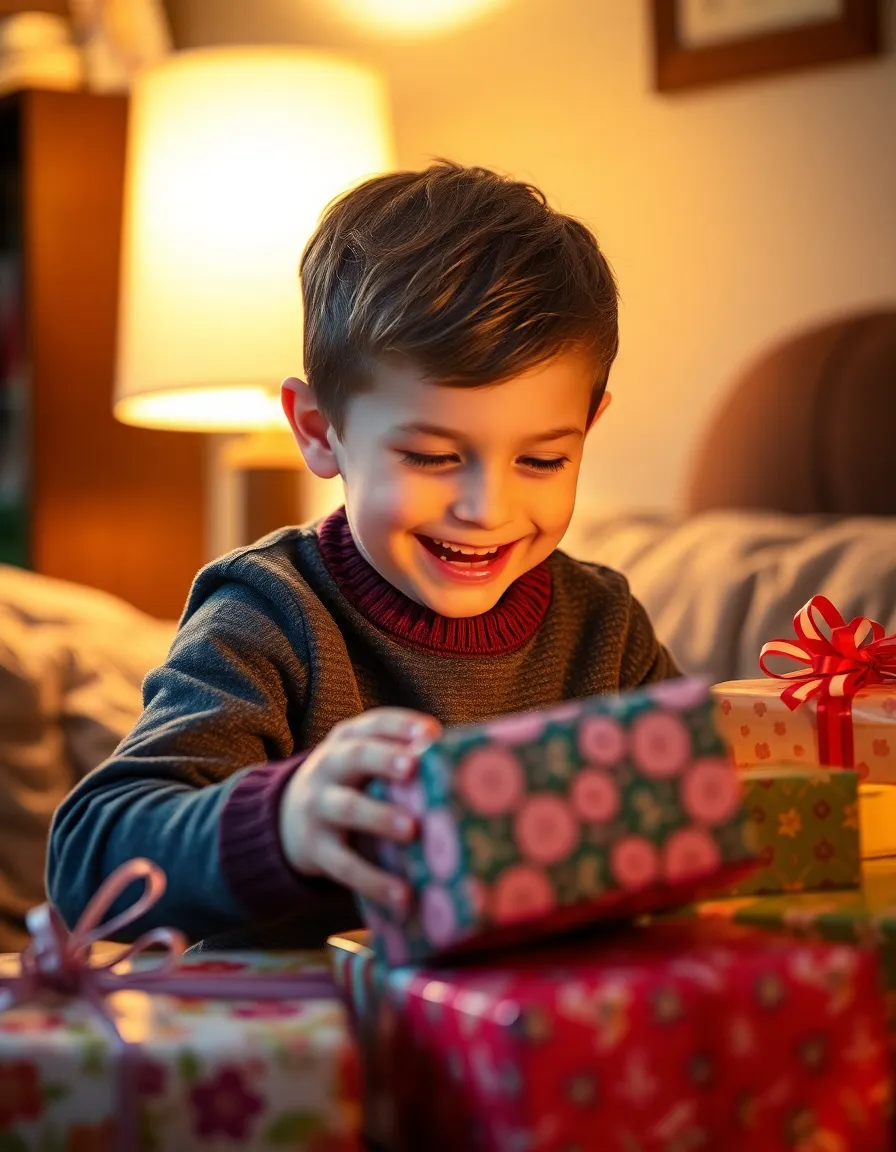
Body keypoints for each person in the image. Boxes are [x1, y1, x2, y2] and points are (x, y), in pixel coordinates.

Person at [47, 161, 679, 949]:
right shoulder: (270, 614)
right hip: (306, 1048)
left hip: (533, 1042)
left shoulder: (605, 627)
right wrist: (283, 821)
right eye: (432, 457)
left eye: (543, 461)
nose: (486, 509)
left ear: (589, 427)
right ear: (318, 430)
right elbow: (88, 863)